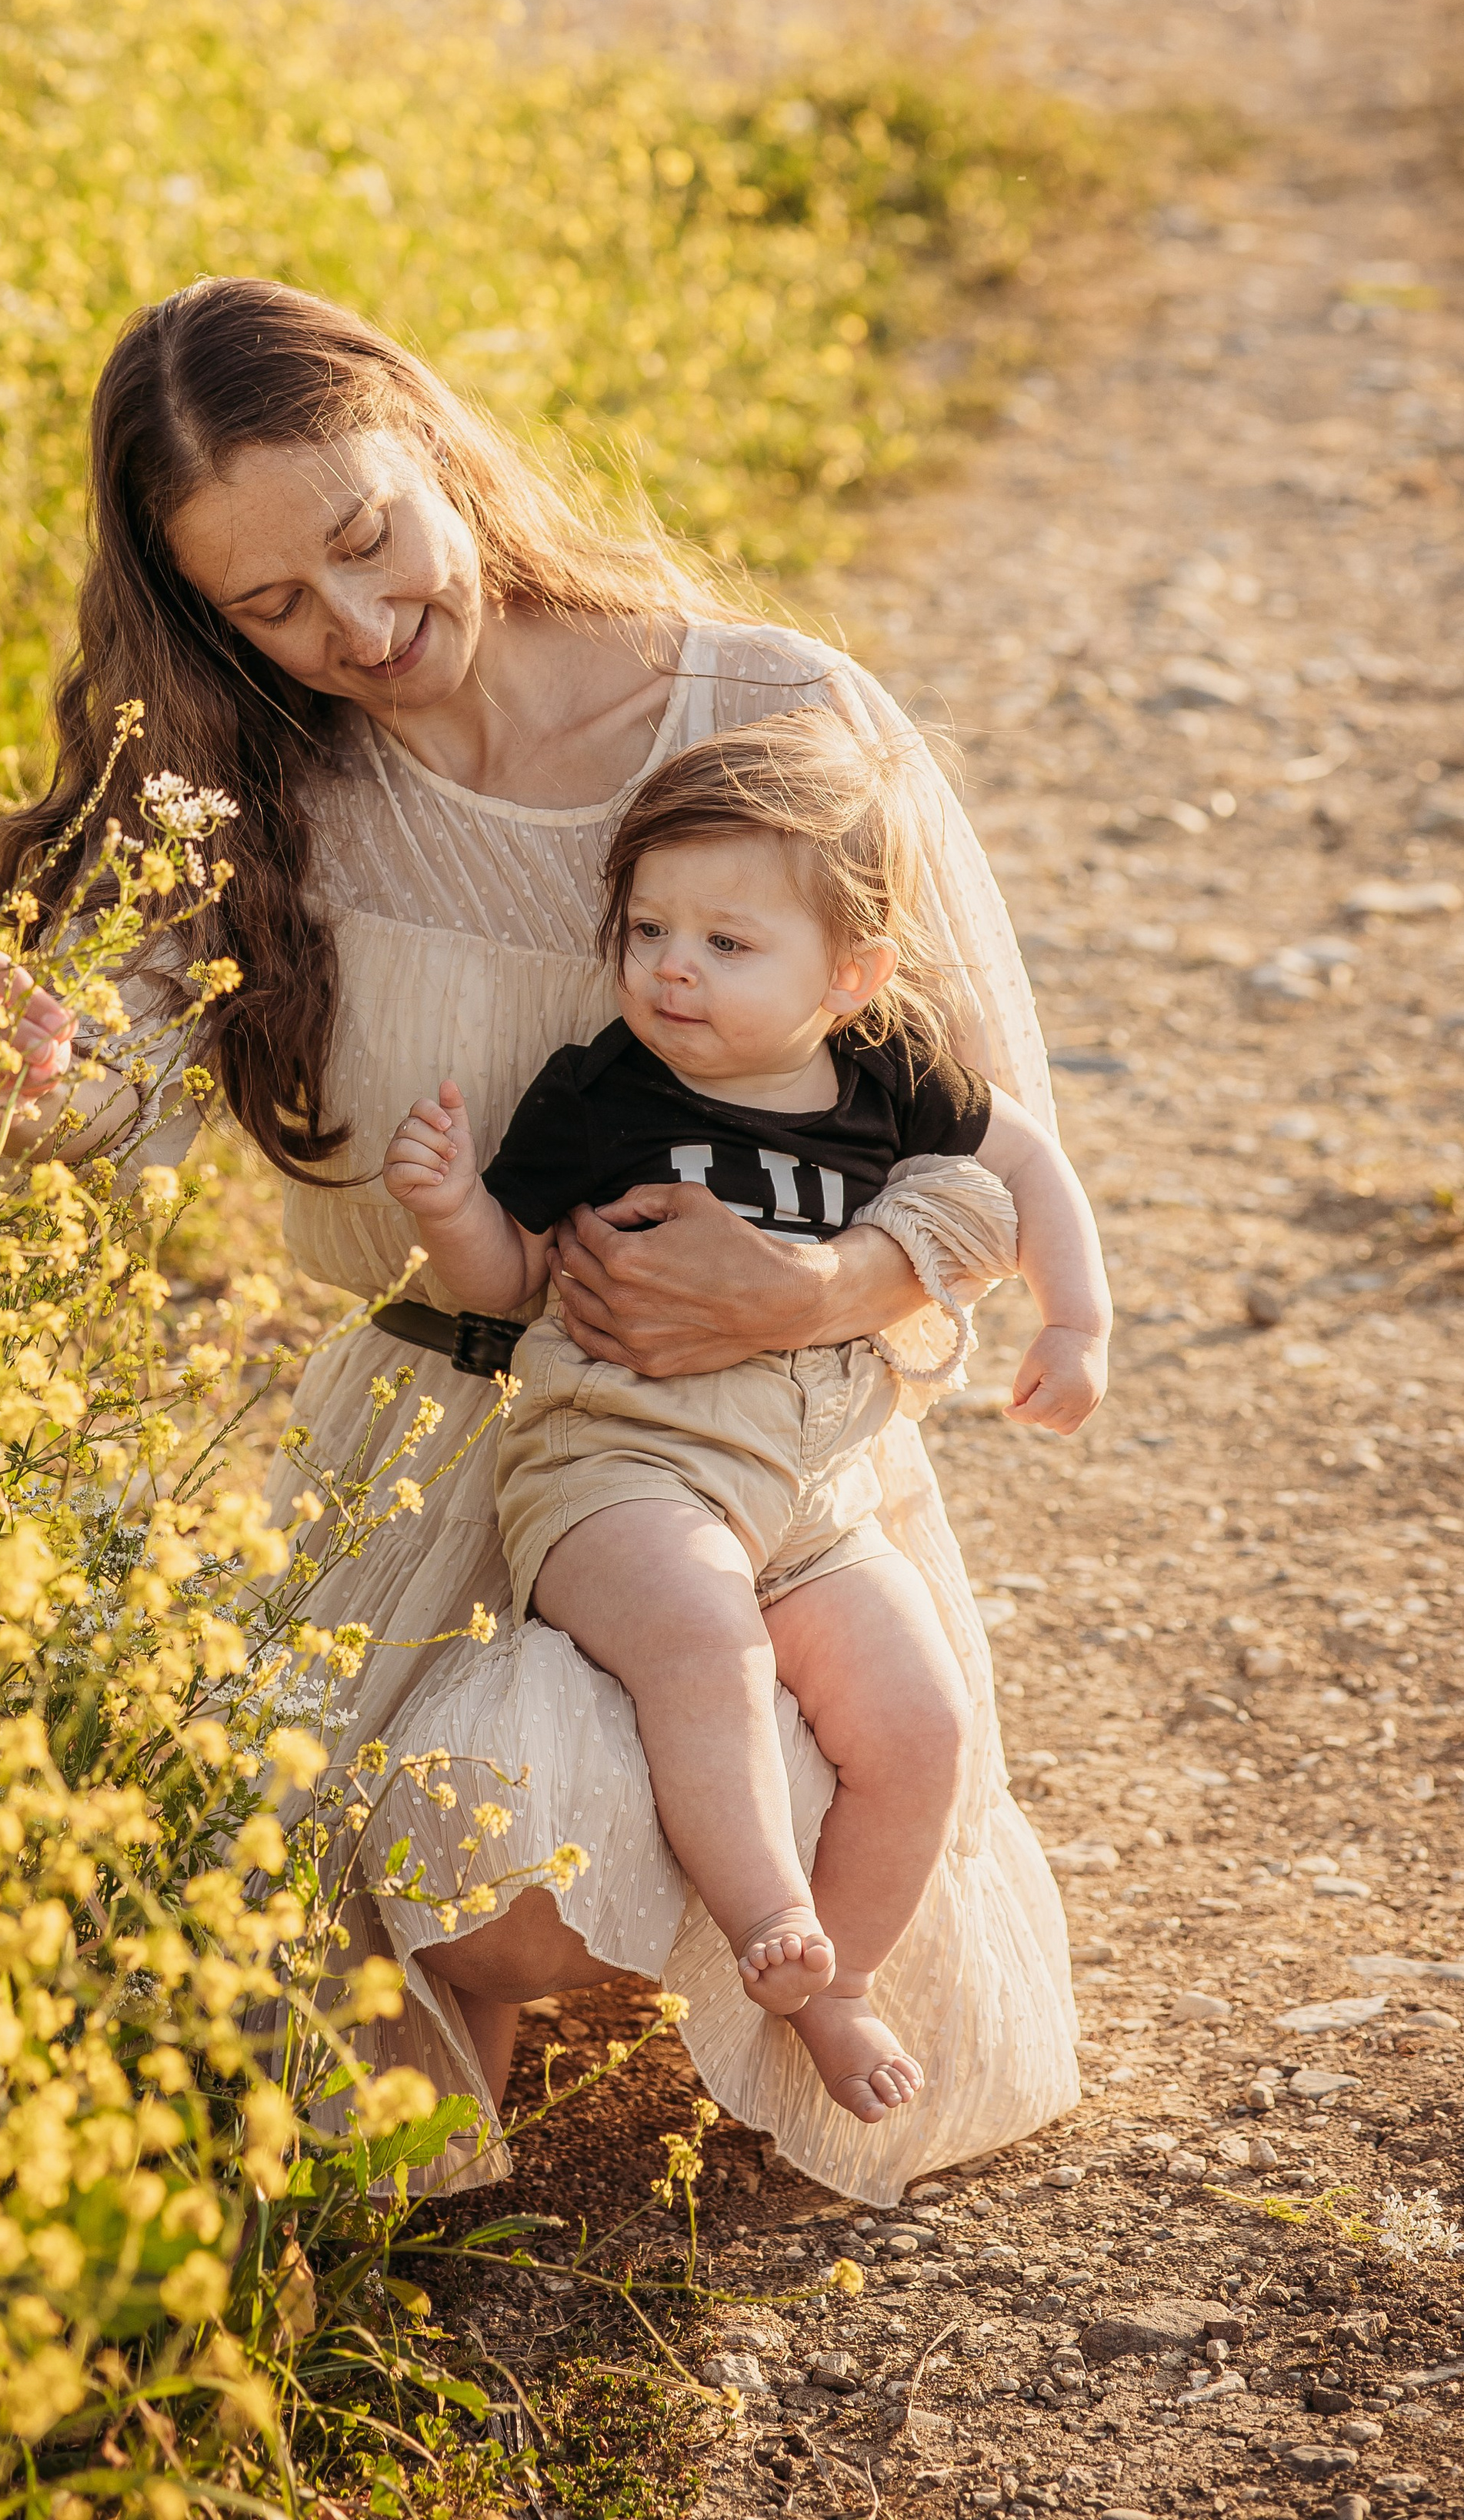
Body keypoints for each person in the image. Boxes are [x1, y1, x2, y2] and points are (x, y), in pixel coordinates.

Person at [0, 274, 1082, 2204]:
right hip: (407, 1448)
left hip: (740, 1450)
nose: (356, 631)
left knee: (590, 1805)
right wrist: (26, 1072)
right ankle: (508, 1992)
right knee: (322, 1911)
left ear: (434, 442)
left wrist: (821, 1283)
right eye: (269, 607)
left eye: (369, 543)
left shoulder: (773, 711)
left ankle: (641, 1960)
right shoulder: (260, 786)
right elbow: (104, 1101)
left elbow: (981, 1120)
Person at [382, 706, 1109, 2124]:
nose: (671, 969)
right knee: (703, 1631)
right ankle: (770, 1915)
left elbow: (1033, 1168)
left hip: (815, 1495)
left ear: (852, 976)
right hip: (619, 1465)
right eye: (650, 929)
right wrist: (453, 1207)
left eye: (728, 944)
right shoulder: (601, 1091)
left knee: (920, 1722)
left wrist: (1076, 1320)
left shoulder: (894, 1080)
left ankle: (836, 1979)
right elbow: (515, 1277)